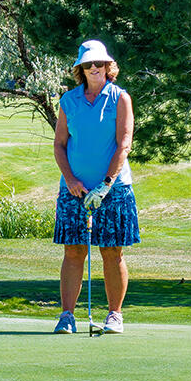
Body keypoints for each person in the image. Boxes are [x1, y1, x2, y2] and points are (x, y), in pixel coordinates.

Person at [52, 39, 139, 334]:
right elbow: (60, 145)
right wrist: (72, 180)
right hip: (74, 190)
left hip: (113, 190)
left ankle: (114, 315)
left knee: (112, 252)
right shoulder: (69, 101)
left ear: (108, 66)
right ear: (81, 69)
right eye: (89, 64)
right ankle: (66, 316)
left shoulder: (120, 98)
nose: (94, 68)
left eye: (99, 63)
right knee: (74, 252)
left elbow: (124, 144)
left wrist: (105, 185)